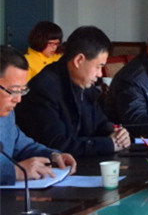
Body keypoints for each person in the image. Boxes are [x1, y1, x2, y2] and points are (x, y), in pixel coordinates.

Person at [15, 26, 130, 157]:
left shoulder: (83, 84)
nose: (100, 74)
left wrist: (116, 133)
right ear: (79, 60)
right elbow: (56, 145)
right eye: (99, 67)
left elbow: (100, 123)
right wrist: (108, 144)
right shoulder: (44, 89)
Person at [0, 46, 76, 185]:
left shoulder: (6, 116)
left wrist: (52, 155)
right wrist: (14, 172)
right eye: (14, 90)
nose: (18, 99)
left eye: (22, 91)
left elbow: (23, 146)